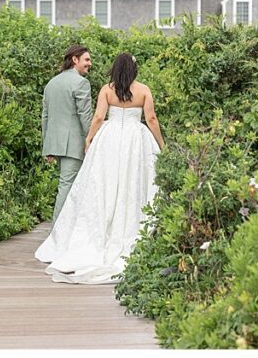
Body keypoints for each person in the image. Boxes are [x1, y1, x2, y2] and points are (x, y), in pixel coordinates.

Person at [35, 53, 165, 284]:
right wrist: (162, 145)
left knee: (102, 183)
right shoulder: (144, 90)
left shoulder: (107, 89)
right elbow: (151, 118)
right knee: (132, 182)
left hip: (110, 140)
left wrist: (90, 138)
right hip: (136, 140)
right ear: (134, 70)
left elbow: (98, 117)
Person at [41, 45, 93, 221]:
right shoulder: (81, 83)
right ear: (74, 60)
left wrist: (46, 146)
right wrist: (92, 139)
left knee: (67, 186)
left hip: (55, 143)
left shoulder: (51, 83)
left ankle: (67, 230)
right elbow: (85, 116)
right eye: (86, 59)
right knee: (68, 187)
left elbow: (45, 117)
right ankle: (57, 233)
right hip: (74, 144)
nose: (89, 63)